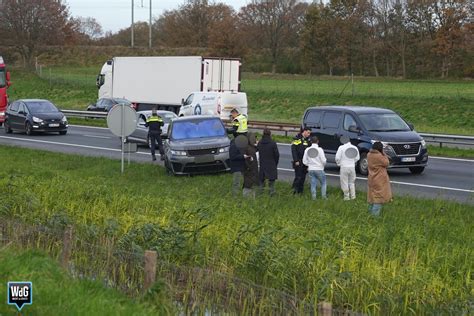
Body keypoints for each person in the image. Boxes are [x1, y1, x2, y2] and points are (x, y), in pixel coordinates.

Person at [367, 142, 392, 216]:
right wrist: (383, 153)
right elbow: (387, 163)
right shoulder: (379, 156)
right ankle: (374, 216)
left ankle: (369, 214)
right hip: (379, 179)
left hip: (371, 177)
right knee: (378, 198)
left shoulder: (369, 154)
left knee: (372, 196)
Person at [257, 128, 279, 196]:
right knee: (271, 182)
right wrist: (275, 163)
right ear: (270, 134)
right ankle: (271, 195)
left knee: (261, 181)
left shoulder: (260, 143)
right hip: (271, 164)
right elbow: (277, 155)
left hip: (262, 164)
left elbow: (257, 152)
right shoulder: (272, 143)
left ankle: (260, 194)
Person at [291, 127, 311, 195]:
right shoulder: (297, 138)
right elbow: (293, 150)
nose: (309, 134)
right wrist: (296, 160)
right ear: (304, 131)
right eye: (308, 133)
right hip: (298, 161)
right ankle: (294, 191)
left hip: (305, 162)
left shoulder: (308, 140)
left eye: (309, 133)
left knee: (303, 178)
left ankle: (300, 192)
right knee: (298, 177)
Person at [243, 133, 259, 198]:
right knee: (248, 185)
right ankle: (247, 198)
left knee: (251, 185)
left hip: (252, 170)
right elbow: (246, 159)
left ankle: (250, 198)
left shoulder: (252, 147)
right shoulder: (247, 148)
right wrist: (249, 167)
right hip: (250, 170)